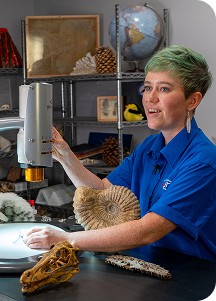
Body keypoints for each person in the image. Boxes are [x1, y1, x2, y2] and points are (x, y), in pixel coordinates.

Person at [24, 45, 216, 261]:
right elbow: (102, 191)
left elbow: (149, 230)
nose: (150, 98)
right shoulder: (149, 146)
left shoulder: (203, 161)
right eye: (147, 87)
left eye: (163, 89)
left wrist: (67, 239)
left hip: (193, 275)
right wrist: (64, 154)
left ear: (193, 100)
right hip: (148, 260)